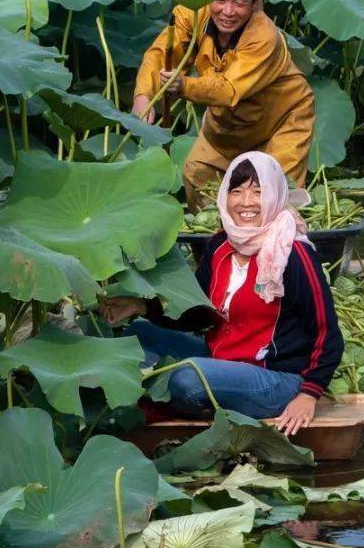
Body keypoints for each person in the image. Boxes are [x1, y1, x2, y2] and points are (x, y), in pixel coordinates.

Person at [100, 151, 343, 437]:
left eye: (258, 191)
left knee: (187, 380)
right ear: (225, 196)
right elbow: (196, 314)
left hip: (276, 378)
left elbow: (328, 334)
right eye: (236, 191)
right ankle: (188, 396)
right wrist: (141, 307)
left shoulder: (293, 253)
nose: (246, 202)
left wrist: (309, 393)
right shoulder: (219, 246)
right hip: (222, 359)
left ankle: (175, 401)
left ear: (275, 195)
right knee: (138, 335)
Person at [132, 0, 315, 209]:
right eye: (221, 0)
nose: (228, 12)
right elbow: (161, 55)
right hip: (227, 126)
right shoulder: (191, 13)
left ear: (256, 4)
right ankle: (214, 244)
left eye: (239, 2)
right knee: (197, 177)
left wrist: (185, 86)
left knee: (273, 198)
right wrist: (143, 95)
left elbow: (229, 89)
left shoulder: (264, 35)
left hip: (282, 120)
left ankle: (281, 242)